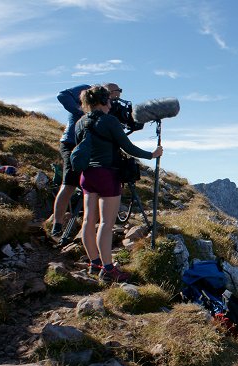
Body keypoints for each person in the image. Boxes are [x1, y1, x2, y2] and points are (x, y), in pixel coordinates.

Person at [75, 85, 162, 282]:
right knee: (106, 223)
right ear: (105, 101)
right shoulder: (109, 121)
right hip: (107, 175)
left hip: (87, 176)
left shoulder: (80, 123)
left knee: (89, 220)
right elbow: (128, 147)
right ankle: (108, 269)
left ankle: (94, 263)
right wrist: (152, 154)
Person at [50, 83, 125, 237]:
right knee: (69, 182)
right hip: (72, 142)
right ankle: (57, 224)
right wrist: (82, 112)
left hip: (94, 147)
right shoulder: (87, 89)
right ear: (109, 92)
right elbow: (62, 95)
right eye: (116, 94)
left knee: (94, 184)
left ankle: (92, 225)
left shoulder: (106, 107)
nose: (116, 99)